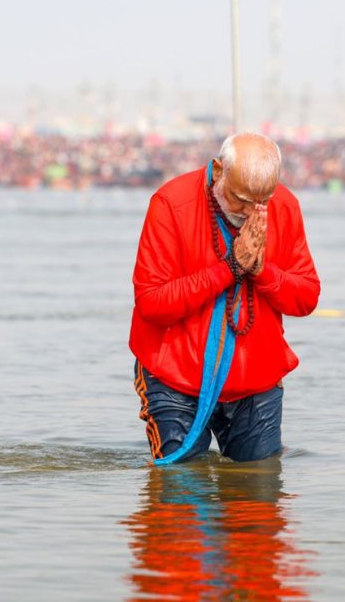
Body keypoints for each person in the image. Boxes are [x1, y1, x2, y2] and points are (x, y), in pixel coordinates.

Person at [130, 132, 320, 464]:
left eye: (261, 201)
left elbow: (305, 298)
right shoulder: (171, 203)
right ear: (218, 170)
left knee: (259, 505)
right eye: (241, 199)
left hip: (255, 382)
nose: (250, 212)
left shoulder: (285, 206)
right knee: (178, 500)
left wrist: (261, 271)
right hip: (175, 377)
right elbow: (152, 304)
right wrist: (230, 268)